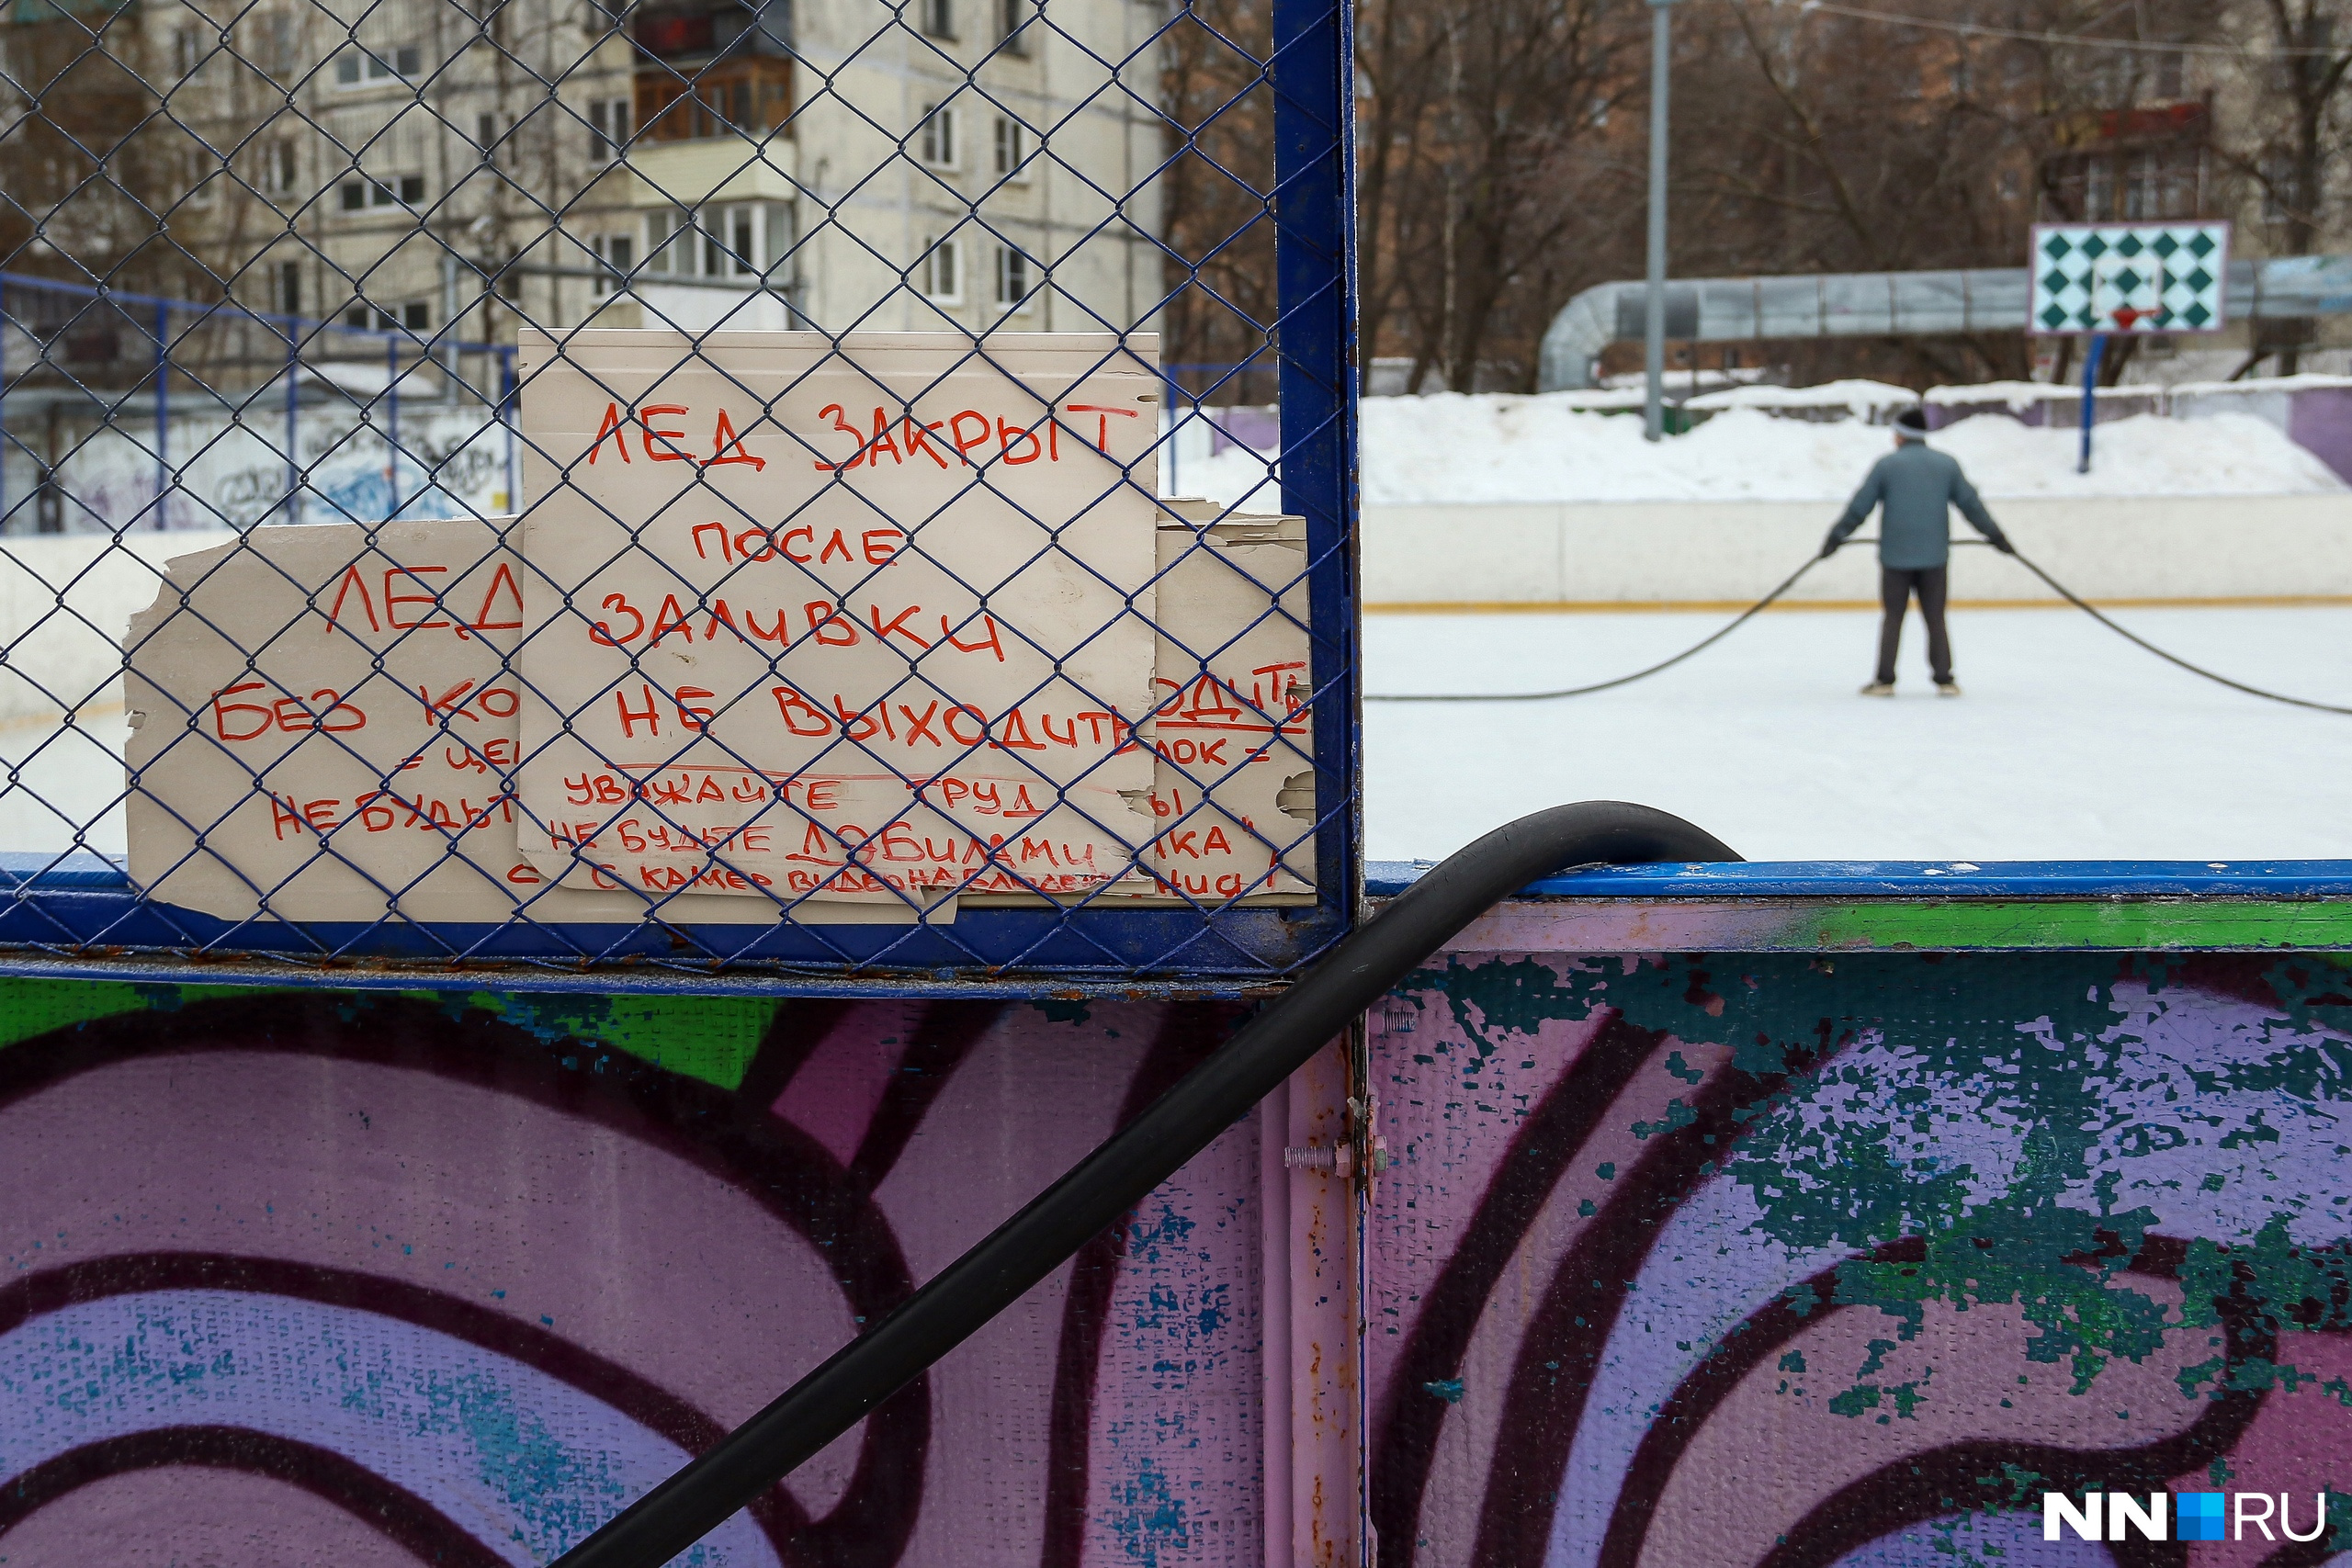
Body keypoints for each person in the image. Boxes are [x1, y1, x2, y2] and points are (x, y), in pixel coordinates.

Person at [1821, 405, 2013, 698]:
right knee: (1935, 617)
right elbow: (1971, 506)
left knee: (1893, 617)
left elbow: (1861, 506)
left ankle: (1884, 680)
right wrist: (1996, 535)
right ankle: (1944, 678)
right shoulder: (1947, 465)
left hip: (1895, 558)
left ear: (1901, 435)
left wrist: (1837, 535)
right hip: (1934, 558)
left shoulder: (1886, 466)